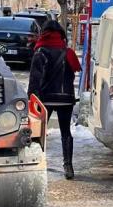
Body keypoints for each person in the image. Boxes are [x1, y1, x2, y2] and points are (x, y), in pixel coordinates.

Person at [27, 20, 81, 180]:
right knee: (66, 132)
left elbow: (34, 80)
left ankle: (38, 162)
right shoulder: (68, 52)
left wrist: (31, 99)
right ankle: (68, 166)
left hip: (46, 99)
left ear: (44, 33)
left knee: (39, 132)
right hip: (65, 99)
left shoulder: (40, 52)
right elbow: (72, 76)